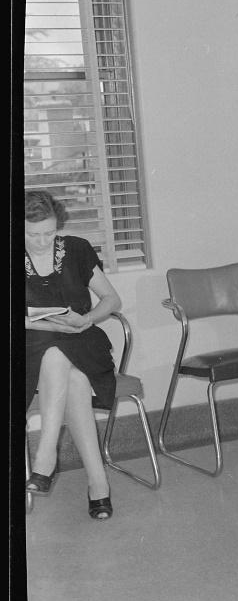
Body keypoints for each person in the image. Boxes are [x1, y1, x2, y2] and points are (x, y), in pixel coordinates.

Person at [23, 190, 122, 519]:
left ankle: (46, 456)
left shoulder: (77, 249)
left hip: (82, 338)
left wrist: (87, 319)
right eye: (32, 234)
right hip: (30, 348)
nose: (41, 241)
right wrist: (33, 323)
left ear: (58, 226)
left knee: (61, 356)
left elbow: (110, 300)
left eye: (49, 233)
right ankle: (98, 483)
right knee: (67, 370)